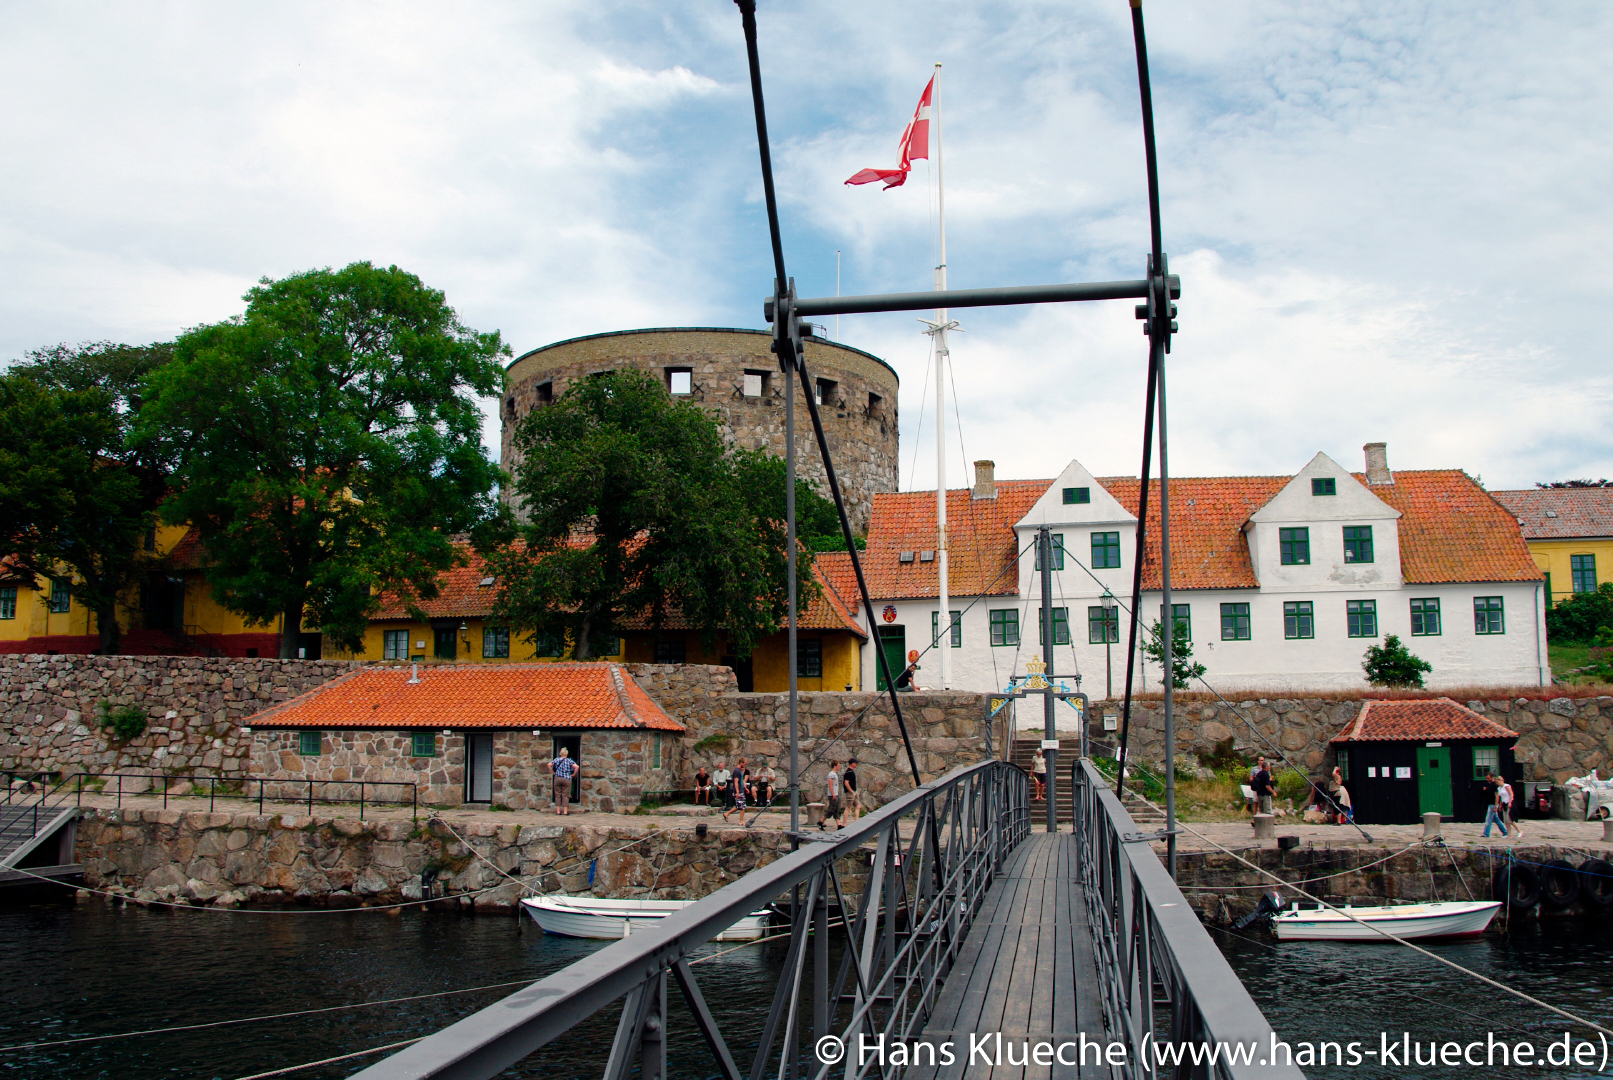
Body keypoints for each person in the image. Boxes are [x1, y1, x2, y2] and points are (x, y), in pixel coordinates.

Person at [547, 747, 578, 816]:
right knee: (565, 795)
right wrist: (573, 774)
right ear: (567, 753)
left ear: (560, 753)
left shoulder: (556, 760)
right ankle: (565, 811)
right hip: (566, 778)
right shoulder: (569, 760)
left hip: (558, 778)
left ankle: (558, 811)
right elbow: (576, 767)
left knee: (557, 794)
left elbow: (549, 765)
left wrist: (552, 772)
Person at [1482, 774, 1509, 838]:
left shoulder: (1494, 786)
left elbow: (1497, 796)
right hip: (1490, 803)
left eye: (1488, 778)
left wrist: (1495, 806)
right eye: (1486, 778)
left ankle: (1486, 833)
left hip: (1492, 804)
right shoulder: (1490, 785)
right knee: (1496, 819)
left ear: (1492, 777)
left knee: (1488, 819)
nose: (1487, 780)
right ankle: (1505, 831)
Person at [820, 761, 843, 830]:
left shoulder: (835, 774)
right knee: (831, 810)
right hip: (833, 795)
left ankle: (838, 825)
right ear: (835, 766)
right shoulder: (831, 774)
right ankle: (820, 821)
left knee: (837, 810)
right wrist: (833, 794)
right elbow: (830, 785)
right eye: (839, 765)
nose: (840, 767)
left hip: (836, 794)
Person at [1501, 775, 1522, 839]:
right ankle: (1509, 834)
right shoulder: (1499, 788)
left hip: (1509, 803)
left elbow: (1511, 794)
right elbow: (1501, 797)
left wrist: (1510, 802)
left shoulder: (1506, 786)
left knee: (1510, 819)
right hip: (1504, 804)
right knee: (1506, 820)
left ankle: (1519, 831)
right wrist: (1500, 804)